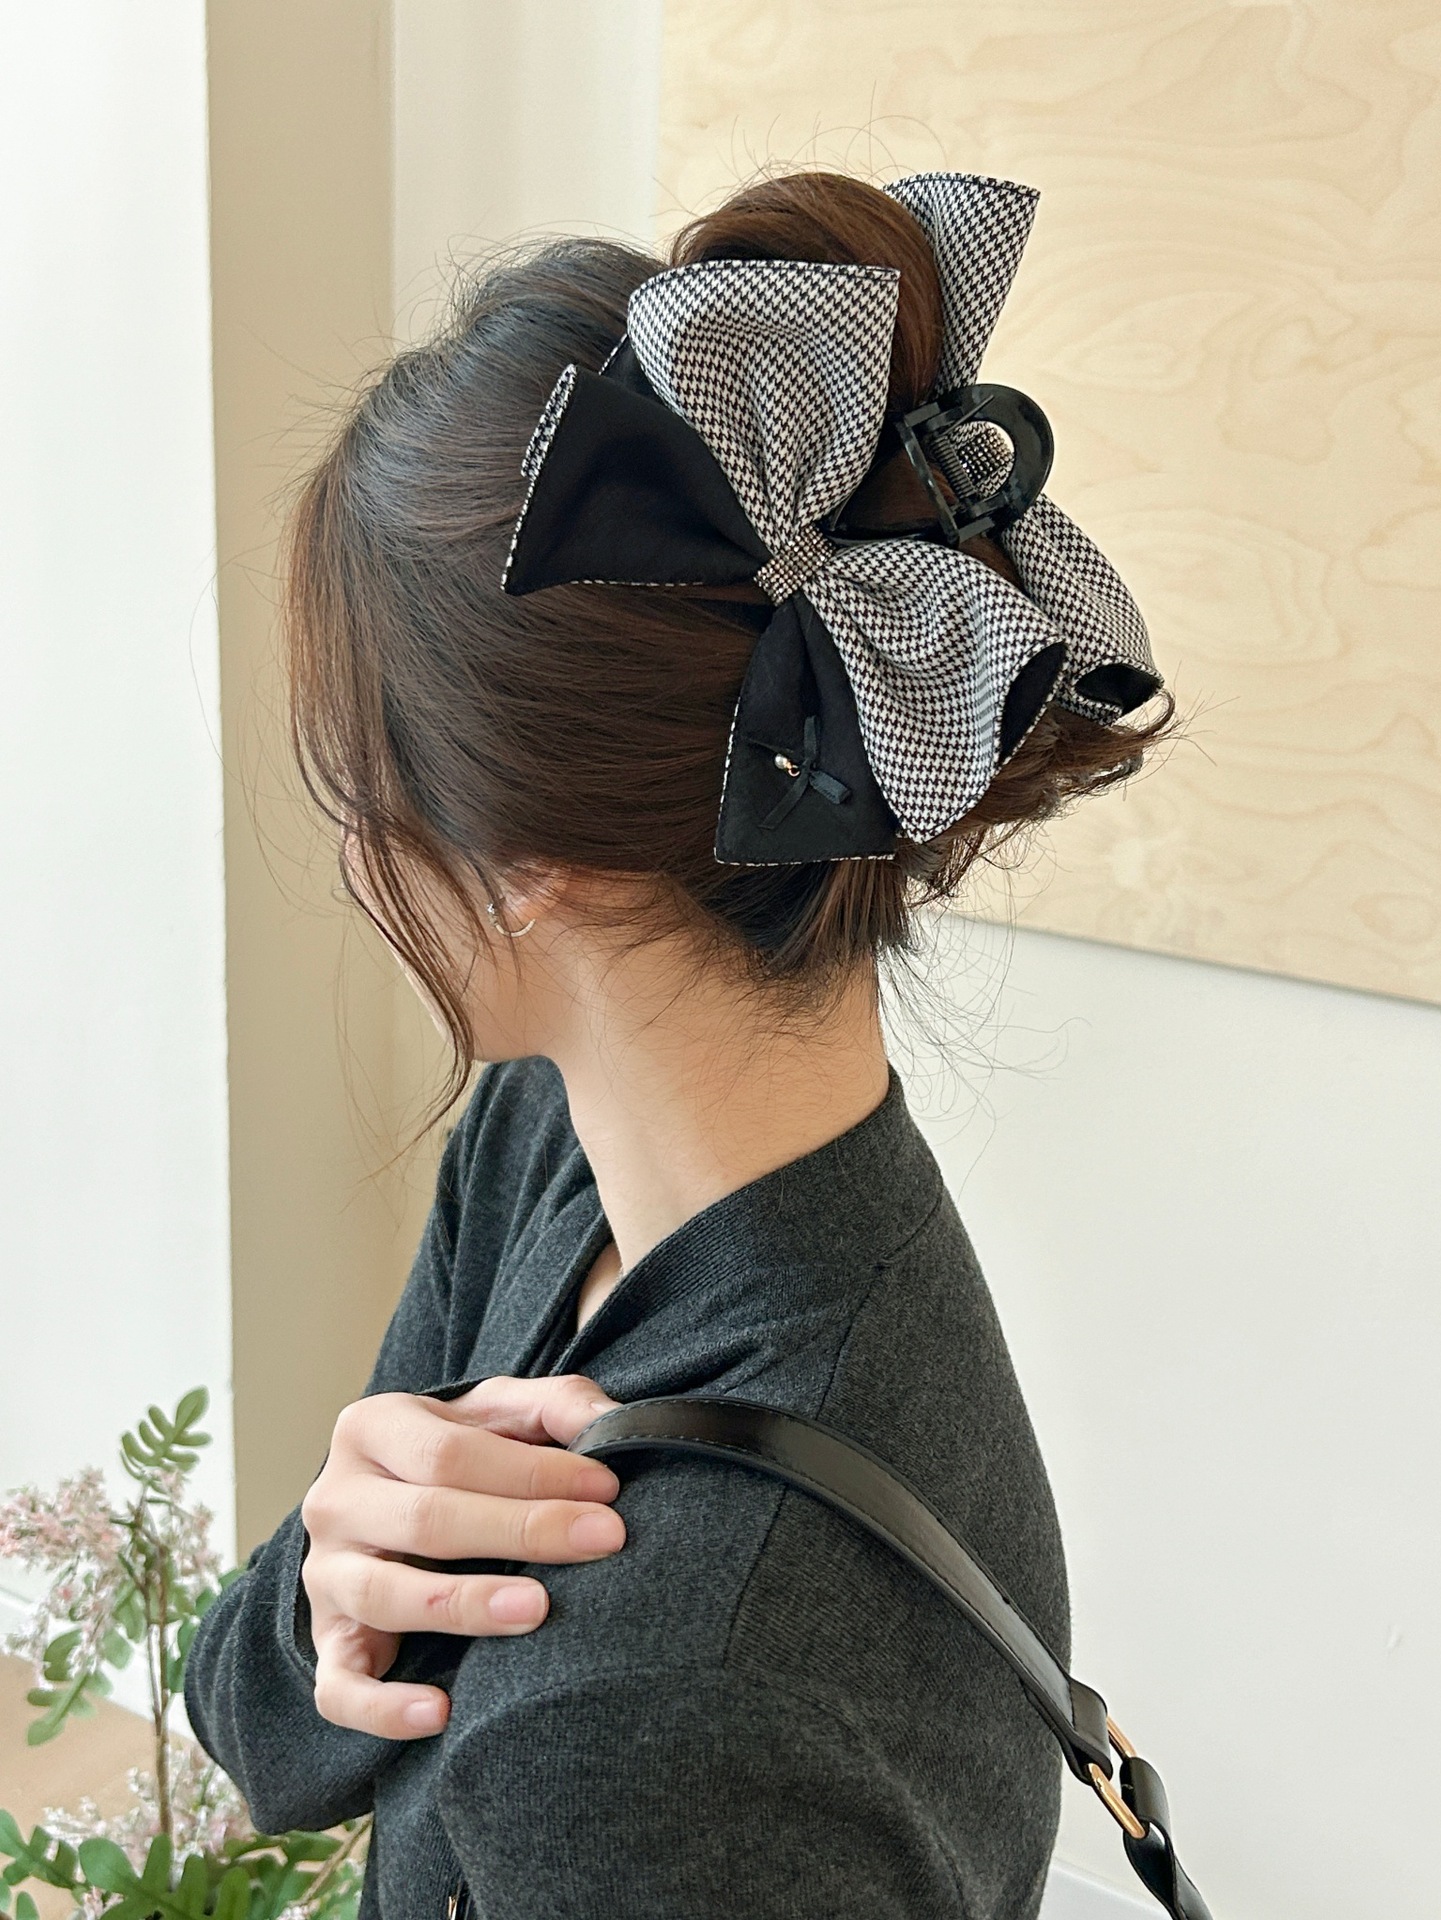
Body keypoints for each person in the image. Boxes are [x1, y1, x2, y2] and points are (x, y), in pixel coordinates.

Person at [185, 169, 1171, 1919]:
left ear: (538, 862)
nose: (350, 857)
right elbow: (272, 1732)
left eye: (364, 791)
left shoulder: (656, 1708)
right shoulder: (560, 1148)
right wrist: (322, 1586)